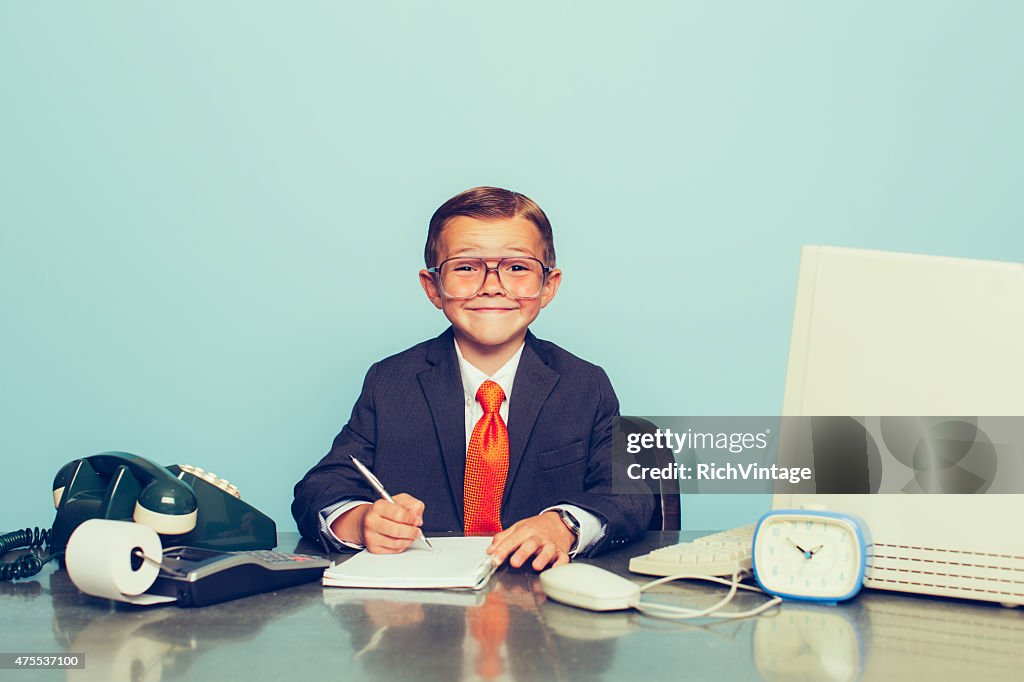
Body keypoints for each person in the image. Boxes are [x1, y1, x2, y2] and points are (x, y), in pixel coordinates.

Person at [292, 186, 653, 570]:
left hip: (539, 596)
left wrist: (562, 524)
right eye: (466, 267)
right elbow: (320, 487)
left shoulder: (584, 384)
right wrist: (361, 521)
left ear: (548, 286)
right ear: (433, 287)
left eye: (517, 267)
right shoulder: (391, 381)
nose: (492, 286)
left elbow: (632, 494)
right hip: (422, 606)